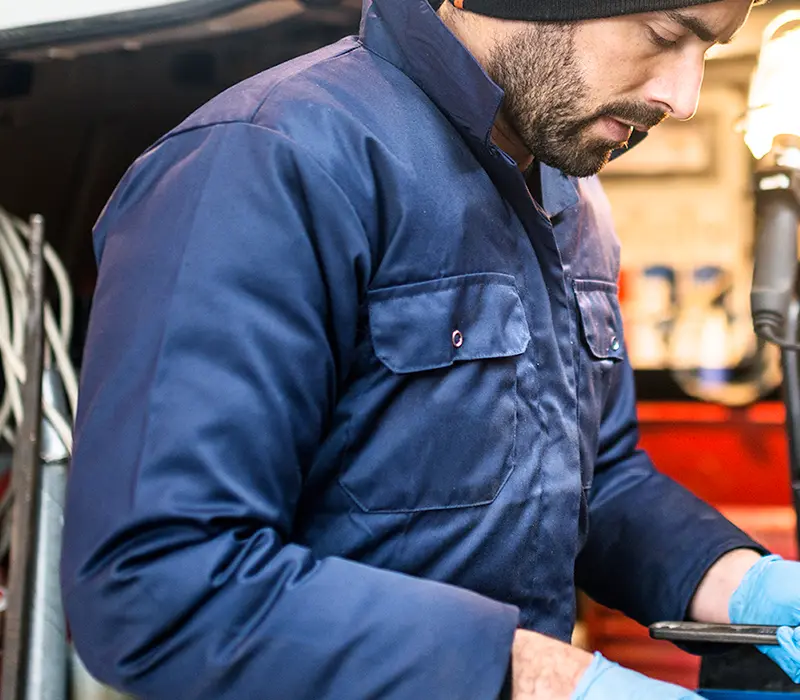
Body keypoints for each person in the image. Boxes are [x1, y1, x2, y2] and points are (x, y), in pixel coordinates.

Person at [60, 0, 800, 698]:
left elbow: (591, 482)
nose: (686, 97)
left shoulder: (570, 198)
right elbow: (158, 581)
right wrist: (546, 679)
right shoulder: (267, 162)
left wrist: (742, 583)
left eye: (710, 49)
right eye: (666, 33)